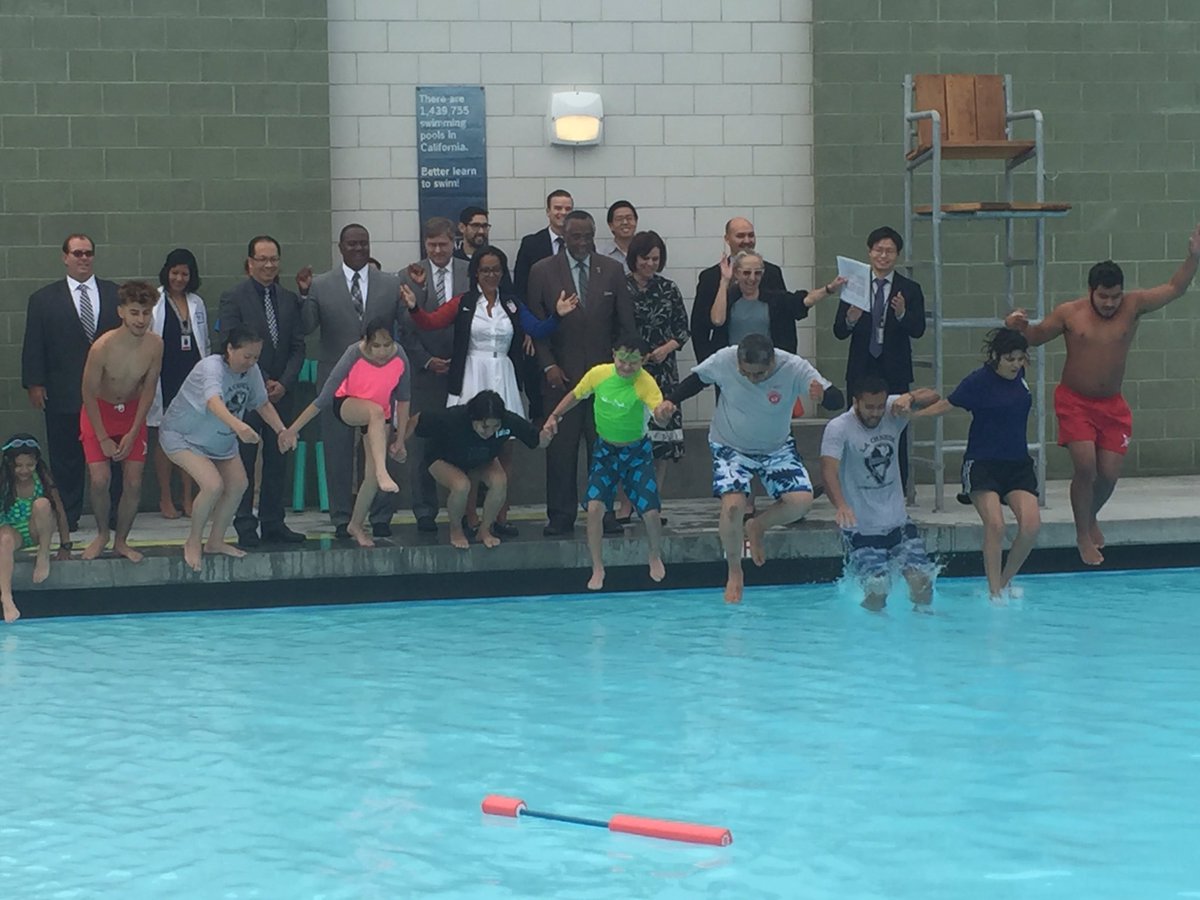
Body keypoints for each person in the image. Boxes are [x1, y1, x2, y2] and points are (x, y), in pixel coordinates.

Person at [1006, 225, 1200, 566]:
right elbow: (1035, 337)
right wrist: (1018, 328)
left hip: (1112, 405)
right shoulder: (1070, 313)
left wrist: (1193, 258)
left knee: (1108, 476)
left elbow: (1175, 288)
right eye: (1103, 297)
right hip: (1074, 401)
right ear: (1091, 291)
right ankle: (1082, 534)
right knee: (1086, 467)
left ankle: (1089, 516)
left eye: (1115, 297)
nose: (1110, 304)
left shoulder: (1134, 305)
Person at [655, 334, 843, 603]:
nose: (753, 379)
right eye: (746, 373)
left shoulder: (793, 367)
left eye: (760, 374)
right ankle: (734, 571)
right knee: (733, 506)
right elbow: (697, 380)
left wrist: (824, 396)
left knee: (801, 502)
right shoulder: (725, 358)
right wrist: (671, 401)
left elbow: (837, 399)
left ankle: (758, 525)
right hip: (730, 445)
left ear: (773, 361)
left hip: (776, 447)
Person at [401, 245, 575, 537]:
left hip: (503, 374)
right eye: (485, 270)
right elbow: (431, 322)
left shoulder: (512, 304)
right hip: (471, 374)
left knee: (504, 448)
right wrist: (414, 307)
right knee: (467, 449)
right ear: (475, 273)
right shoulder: (464, 302)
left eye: (496, 270)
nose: (491, 275)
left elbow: (538, 329)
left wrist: (557, 315)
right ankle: (470, 518)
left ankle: (499, 518)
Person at [527, 209, 639, 537]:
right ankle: (560, 516)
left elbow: (625, 324)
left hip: (605, 380)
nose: (582, 242)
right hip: (561, 379)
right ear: (563, 237)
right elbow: (536, 326)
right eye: (576, 236)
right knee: (561, 453)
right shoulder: (542, 271)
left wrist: (622, 370)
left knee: (603, 450)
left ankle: (602, 514)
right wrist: (548, 365)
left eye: (588, 236)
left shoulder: (612, 270)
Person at [912, 329, 1040, 599]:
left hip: (1017, 465)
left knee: (1030, 527)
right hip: (983, 464)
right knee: (996, 525)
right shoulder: (978, 381)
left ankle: (1004, 582)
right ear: (996, 357)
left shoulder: (1020, 376)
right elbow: (946, 405)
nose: (1016, 365)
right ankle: (994, 594)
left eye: (1020, 359)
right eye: (1010, 359)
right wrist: (913, 417)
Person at [297, 223, 404, 540]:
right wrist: (304, 295)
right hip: (338, 380)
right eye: (352, 244)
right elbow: (306, 327)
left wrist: (413, 303)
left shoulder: (390, 283)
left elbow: (405, 326)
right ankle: (342, 517)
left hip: (380, 380)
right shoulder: (320, 285)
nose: (359, 249)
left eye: (363, 243)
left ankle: (381, 515)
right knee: (338, 451)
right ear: (340, 247)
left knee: (379, 450)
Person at [159, 326, 295, 572]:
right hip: (183, 436)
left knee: (238, 485)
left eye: (256, 357)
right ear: (230, 349)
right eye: (246, 356)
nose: (251, 362)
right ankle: (193, 541)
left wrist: (281, 430)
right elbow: (213, 402)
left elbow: (262, 403)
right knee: (212, 485)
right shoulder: (211, 367)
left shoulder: (252, 370)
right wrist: (239, 426)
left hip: (219, 440)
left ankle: (215, 541)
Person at [543, 338, 666, 590]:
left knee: (651, 512)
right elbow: (576, 395)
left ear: (643, 361)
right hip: (606, 451)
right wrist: (554, 415)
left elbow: (659, 415)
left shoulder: (646, 383)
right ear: (613, 354)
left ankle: (654, 554)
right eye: (622, 360)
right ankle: (597, 566)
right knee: (595, 508)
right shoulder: (599, 374)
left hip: (636, 453)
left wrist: (663, 415)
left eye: (633, 363)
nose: (626, 367)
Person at [281, 317, 411, 549]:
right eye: (376, 346)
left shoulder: (400, 355)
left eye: (387, 345)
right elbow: (323, 398)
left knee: (371, 478)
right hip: (347, 404)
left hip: (381, 415)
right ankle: (382, 471)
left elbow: (403, 400)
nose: (382, 352)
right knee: (374, 413)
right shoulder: (354, 353)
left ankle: (355, 525)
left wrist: (400, 440)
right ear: (366, 342)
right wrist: (292, 429)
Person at [21, 233, 122, 532]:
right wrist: (35, 383)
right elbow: (34, 344)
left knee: (113, 456)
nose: (83, 258)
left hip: (108, 391)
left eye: (88, 253)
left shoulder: (115, 294)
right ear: (64, 257)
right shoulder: (43, 299)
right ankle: (69, 515)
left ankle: (114, 514)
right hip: (63, 390)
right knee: (66, 457)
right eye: (77, 253)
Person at [820, 376, 940, 612]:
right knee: (878, 591)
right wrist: (841, 505)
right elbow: (827, 471)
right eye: (869, 407)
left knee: (922, 585)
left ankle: (923, 628)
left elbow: (934, 396)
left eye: (879, 406)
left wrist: (910, 397)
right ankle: (872, 630)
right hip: (861, 527)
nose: (875, 413)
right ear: (855, 402)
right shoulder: (839, 427)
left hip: (897, 521)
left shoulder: (892, 410)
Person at [218, 235, 307, 547]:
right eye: (263, 259)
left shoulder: (288, 299)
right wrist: (262, 380)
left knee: (278, 459)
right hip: (245, 393)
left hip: (281, 393)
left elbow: (298, 346)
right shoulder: (234, 298)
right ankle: (244, 523)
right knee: (243, 459)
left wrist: (283, 382)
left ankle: (273, 522)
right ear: (250, 263)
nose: (269, 265)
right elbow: (229, 343)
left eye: (274, 259)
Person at [832, 226, 927, 491]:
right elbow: (839, 331)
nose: (883, 256)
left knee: (897, 425)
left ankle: (898, 487)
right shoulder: (855, 284)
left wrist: (901, 314)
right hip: (861, 367)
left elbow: (918, 329)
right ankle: (854, 485)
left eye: (889, 251)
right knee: (856, 425)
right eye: (878, 250)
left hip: (894, 368)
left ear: (897, 255)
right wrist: (850, 319)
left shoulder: (909, 289)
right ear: (869, 252)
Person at [79, 281, 164, 563]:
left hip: (132, 412)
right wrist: (103, 437)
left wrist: (134, 430)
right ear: (121, 312)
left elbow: (149, 389)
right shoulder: (102, 347)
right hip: (99, 411)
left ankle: (121, 541)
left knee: (134, 483)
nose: (140, 320)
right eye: (135, 312)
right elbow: (88, 393)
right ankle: (102, 533)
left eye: (146, 313)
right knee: (100, 479)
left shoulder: (155, 345)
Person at [398, 217, 471, 534]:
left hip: (463, 371)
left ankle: (466, 511)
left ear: (454, 241)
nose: (438, 250)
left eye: (443, 244)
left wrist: (459, 359)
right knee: (421, 443)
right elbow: (405, 327)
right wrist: (426, 360)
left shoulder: (470, 272)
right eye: (431, 245)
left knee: (463, 439)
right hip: (424, 373)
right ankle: (425, 511)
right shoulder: (408, 275)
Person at [408, 390, 549, 550]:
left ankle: (484, 530)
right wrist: (399, 444)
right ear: (472, 418)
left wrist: (546, 436)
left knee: (499, 482)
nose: (489, 432)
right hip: (442, 457)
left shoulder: (509, 420)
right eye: (484, 426)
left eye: (495, 427)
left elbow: (538, 441)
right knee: (461, 486)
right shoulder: (453, 417)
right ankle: (456, 530)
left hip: (481, 458)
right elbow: (416, 419)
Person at [619, 230, 690, 521]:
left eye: (655, 259)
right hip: (629, 374)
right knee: (628, 442)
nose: (650, 264)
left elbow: (683, 329)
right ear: (634, 258)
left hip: (663, 375)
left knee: (661, 446)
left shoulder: (668, 288)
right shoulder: (620, 288)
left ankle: (651, 504)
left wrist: (666, 348)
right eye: (645, 258)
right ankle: (625, 505)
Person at [148, 248, 209, 520]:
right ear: (167, 272)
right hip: (164, 377)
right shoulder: (155, 301)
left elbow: (203, 342)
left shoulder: (197, 302)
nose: (179, 278)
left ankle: (187, 496)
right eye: (175, 272)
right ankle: (165, 496)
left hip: (191, 378)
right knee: (164, 438)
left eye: (185, 274)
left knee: (190, 440)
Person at [709, 249, 844, 355]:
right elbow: (717, 320)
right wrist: (724, 281)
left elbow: (805, 300)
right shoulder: (728, 299)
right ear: (736, 273)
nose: (752, 278)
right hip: (734, 368)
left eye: (757, 273)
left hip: (767, 368)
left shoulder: (775, 300)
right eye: (746, 273)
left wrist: (829, 289)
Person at [514, 189, 575, 420]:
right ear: (548, 211)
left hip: (571, 328)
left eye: (568, 208)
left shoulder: (581, 243)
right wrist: (529, 329)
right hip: (539, 326)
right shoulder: (531, 243)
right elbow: (520, 288)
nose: (563, 213)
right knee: (540, 391)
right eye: (558, 208)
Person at [691, 217, 787, 363]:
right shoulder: (710, 277)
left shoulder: (772, 273)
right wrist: (706, 365)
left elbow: (785, 322)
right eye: (740, 236)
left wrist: (786, 361)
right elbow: (699, 326)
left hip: (768, 361)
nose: (747, 240)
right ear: (727, 239)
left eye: (751, 235)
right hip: (726, 361)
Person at [1, 435, 71, 624]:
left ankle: (43, 555)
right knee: (4, 539)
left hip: (36, 529)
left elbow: (60, 511)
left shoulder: (42, 479)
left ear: (37, 462)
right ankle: (6, 597)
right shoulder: (3, 482)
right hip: (12, 531)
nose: (24, 470)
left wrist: (65, 545)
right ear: (9, 463)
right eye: (18, 465)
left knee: (42, 504)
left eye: (30, 465)